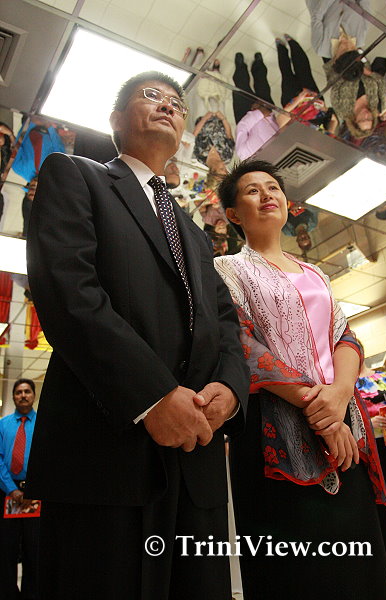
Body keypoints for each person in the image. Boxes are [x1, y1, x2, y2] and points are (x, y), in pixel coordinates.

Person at [26, 71, 249, 600]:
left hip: (195, 464)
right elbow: (69, 293)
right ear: (116, 119)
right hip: (106, 453)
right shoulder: (74, 175)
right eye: (151, 97)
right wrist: (153, 396)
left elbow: (225, 324)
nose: (168, 106)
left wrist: (230, 388)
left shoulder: (194, 234)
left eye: (177, 103)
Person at [214, 159, 386, 600]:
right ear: (233, 214)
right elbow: (241, 343)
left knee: (357, 557)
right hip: (273, 426)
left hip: (343, 423)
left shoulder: (317, 273)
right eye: (252, 190)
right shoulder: (226, 269)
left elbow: (345, 336)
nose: (267, 195)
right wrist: (321, 408)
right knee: (297, 565)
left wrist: (339, 396)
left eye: (273, 187)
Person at [356, 348, 386, 593]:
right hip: (371, 452)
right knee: (383, 509)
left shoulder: (383, 377)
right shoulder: (346, 385)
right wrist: (369, 423)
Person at [0, 378, 39, 600]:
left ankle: (31, 595)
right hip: (8, 494)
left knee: (33, 550)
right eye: (18, 392)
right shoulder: (2, 425)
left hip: (36, 496)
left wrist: (33, 489)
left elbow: (46, 460)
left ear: (33, 395)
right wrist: (11, 489)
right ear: (14, 396)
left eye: (27, 391)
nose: (23, 395)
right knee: (7, 549)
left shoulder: (43, 425)